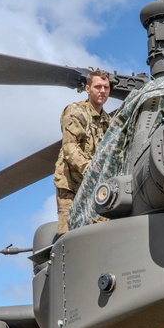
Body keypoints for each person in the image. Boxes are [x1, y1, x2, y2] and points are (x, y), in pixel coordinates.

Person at [54, 69, 111, 235]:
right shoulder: (75, 112)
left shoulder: (108, 121)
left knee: (101, 231)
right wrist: (92, 171)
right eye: (98, 87)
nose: (102, 91)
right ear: (88, 89)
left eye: (106, 87)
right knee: (69, 234)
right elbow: (70, 147)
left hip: (94, 186)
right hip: (70, 185)